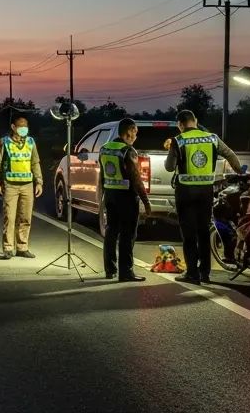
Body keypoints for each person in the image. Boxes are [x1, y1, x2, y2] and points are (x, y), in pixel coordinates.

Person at [164, 110, 242, 285]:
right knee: (204, 231)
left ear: (180, 125)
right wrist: (239, 172)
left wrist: (172, 150)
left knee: (189, 234)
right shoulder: (212, 138)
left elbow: (169, 167)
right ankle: (205, 272)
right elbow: (229, 154)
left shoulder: (179, 140)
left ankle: (192, 273)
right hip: (206, 191)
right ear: (196, 121)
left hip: (185, 192)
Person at [99, 118, 153, 282]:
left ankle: (110, 269)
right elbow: (136, 179)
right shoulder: (128, 151)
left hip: (110, 195)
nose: (136, 135)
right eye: (135, 131)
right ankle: (126, 272)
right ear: (128, 132)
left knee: (111, 232)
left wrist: (104, 194)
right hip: (127, 198)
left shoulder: (105, 149)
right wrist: (146, 201)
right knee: (127, 235)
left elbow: (102, 175)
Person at [0, 113, 42, 260]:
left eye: (26, 126)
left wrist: (39, 182)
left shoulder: (31, 142)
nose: (24, 129)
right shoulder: (4, 142)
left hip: (27, 185)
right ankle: (8, 248)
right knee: (10, 217)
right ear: (13, 127)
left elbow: (35, 163)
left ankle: (22, 247)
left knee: (25, 217)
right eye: (21, 126)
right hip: (10, 185)